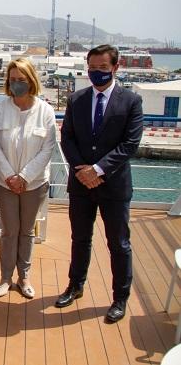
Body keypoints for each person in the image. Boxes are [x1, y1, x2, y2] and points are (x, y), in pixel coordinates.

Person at [56, 44, 143, 323]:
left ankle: (120, 297)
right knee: (80, 239)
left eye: (103, 68)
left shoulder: (130, 101)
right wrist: (82, 170)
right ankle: (75, 285)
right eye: (92, 68)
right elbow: (67, 137)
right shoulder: (77, 99)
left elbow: (130, 143)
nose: (97, 73)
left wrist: (98, 169)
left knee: (118, 243)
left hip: (114, 186)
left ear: (116, 68)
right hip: (81, 185)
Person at [0, 58, 57, 299]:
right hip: (4, 183)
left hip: (34, 184)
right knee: (9, 231)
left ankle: (24, 277)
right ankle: (6, 278)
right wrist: (10, 177)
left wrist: (25, 177)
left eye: (22, 79)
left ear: (31, 81)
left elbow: (47, 149)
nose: (17, 83)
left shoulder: (45, 111)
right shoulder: (1, 109)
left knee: (27, 231)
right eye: (13, 79)